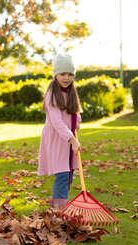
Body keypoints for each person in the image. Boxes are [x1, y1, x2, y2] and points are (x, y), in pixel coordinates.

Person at [38, 54, 82, 210]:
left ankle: (56, 205)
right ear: (55, 74)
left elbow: (75, 111)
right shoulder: (52, 94)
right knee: (62, 174)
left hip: (68, 138)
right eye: (63, 74)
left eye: (70, 74)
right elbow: (57, 121)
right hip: (58, 138)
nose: (66, 78)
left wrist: (77, 121)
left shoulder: (71, 92)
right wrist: (72, 139)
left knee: (68, 174)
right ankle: (60, 211)